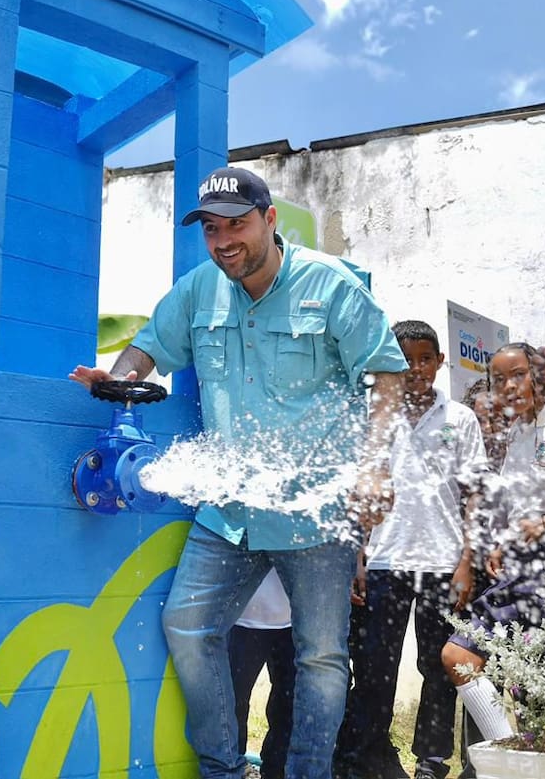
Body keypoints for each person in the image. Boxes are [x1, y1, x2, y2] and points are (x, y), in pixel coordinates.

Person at [71, 166, 407, 779]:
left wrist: (375, 467)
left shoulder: (328, 285)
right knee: (187, 625)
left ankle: (308, 772)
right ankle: (223, 769)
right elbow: (150, 344)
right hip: (228, 511)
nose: (225, 240)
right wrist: (120, 376)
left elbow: (385, 372)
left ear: (269, 219)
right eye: (212, 229)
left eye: (238, 225)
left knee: (322, 659)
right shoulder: (199, 289)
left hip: (314, 508)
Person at [335, 320, 486, 779]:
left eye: (425, 359)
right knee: (376, 667)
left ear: (441, 363)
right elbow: (357, 495)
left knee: (435, 669)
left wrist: (467, 561)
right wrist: (357, 557)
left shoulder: (460, 419)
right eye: (405, 361)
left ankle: (432, 759)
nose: (416, 369)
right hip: (385, 562)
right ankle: (369, 758)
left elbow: (475, 493)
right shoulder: (375, 419)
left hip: (443, 564)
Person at [440, 341, 545, 743]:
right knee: (459, 656)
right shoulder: (518, 434)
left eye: (518, 375)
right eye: (499, 380)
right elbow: (515, 504)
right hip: (517, 570)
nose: (509, 386)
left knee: (538, 692)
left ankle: (530, 759)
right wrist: (504, 542)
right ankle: (511, 756)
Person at [229, 569, 294, 779]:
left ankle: (277, 770)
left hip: (295, 620)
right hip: (242, 619)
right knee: (233, 703)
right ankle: (234, 767)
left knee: (289, 704)